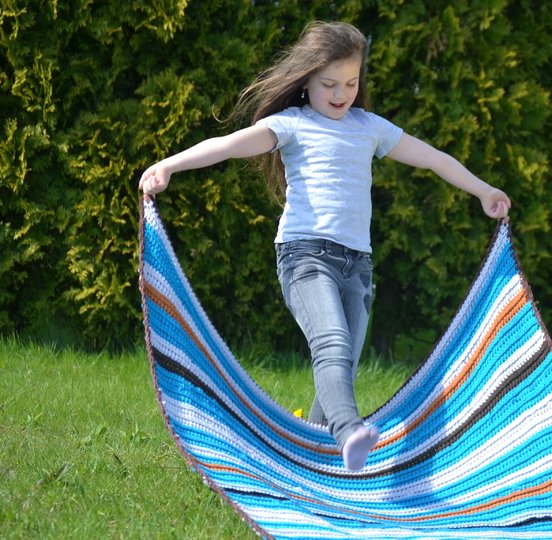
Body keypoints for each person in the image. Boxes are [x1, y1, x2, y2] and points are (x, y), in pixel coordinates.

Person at [139, 21, 511, 471]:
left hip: (357, 266)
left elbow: (432, 158)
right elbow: (229, 145)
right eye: (329, 84)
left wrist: (483, 190)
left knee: (341, 369)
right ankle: (351, 431)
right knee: (332, 344)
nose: (341, 94)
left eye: (351, 83)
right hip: (305, 257)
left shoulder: (369, 128)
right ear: (306, 82)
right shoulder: (291, 124)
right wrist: (169, 166)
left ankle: (311, 462)